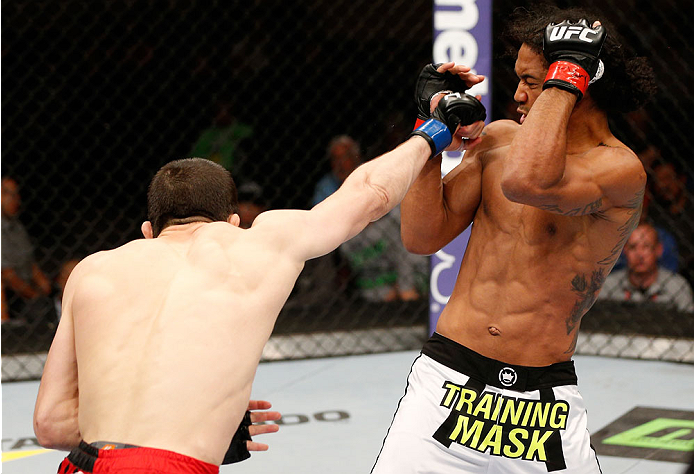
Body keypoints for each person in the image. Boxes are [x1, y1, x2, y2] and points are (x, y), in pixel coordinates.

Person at [33, 90, 485, 472]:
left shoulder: (91, 270)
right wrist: (433, 130)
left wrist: (182, 416)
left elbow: (51, 425)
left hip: (83, 463)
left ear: (148, 231)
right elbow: (368, 194)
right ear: (232, 221)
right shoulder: (255, 244)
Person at [372, 6, 657, 473]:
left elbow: (529, 182)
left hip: (541, 409)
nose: (519, 95)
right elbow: (421, 236)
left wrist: (566, 74)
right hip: (447, 383)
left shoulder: (620, 170)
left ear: (577, 83)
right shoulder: (500, 140)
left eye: (532, 81)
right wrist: (431, 134)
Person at [598, 223, 693, 312]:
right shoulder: (607, 286)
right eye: (633, 247)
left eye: (646, 246)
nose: (639, 255)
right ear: (624, 250)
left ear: (658, 250)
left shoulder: (677, 286)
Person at [1, 176, 53, 324]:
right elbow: (7, 275)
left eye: (15, 194)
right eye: (7, 194)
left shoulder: (18, 227)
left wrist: (47, 290)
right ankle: (4, 325)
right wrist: (35, 296)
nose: (14, 199)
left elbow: (31, 265)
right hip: (11, 293)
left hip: (27, 288)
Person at [311, 135, 363, 206]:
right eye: (335, 158)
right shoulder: (324, 186)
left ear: (355, 158)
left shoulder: (368, 176)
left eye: (345, 157)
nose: (340, 163)